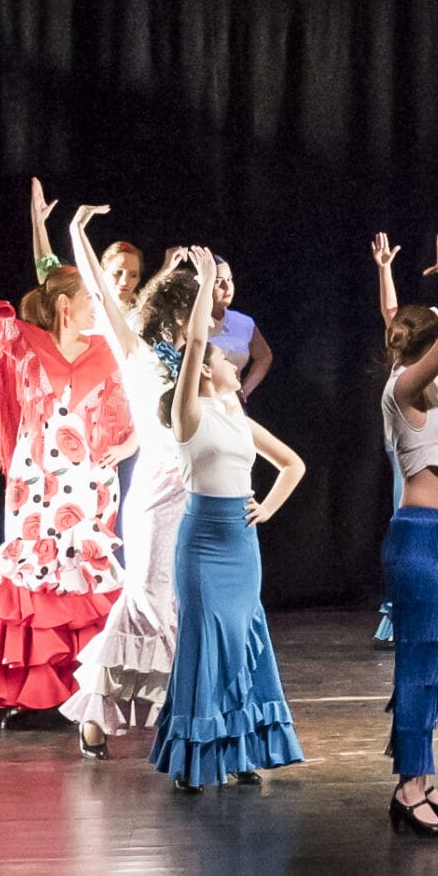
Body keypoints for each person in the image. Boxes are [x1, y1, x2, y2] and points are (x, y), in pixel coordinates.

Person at [0, 188, 133, 721]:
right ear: (64, 306)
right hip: (37, 481)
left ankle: (91, 690)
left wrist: (124, 447)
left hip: (91, 481)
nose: (97, 307)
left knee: (83, 576)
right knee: (37, 575)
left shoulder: (108, 349)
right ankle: (31, 691)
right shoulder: (25, 341)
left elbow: (145, 413)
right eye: (89, 301)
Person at [150, 244, 307, 791]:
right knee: (205, 646)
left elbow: (293, 464)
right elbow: (196, 340)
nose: (230, 361)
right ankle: (194, 760)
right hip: (202, 544)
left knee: (240, 644)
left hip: (242, 544)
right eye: (223, 359)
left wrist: (266, 509)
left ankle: (240, 751)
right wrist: (205, 283)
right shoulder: (187, 414)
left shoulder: (236, 413)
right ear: (203, 370)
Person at [58, 208, 199, 756]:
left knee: (181, 606)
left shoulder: (186, 360)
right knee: (146, 602)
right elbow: (98, 287)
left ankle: (183, 715)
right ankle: (96, 713)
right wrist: (77, 232)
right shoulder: (136, 349)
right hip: (155, 495)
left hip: (194, 492)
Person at [378, 231, 438, 837]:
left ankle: (422, 777)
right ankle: (407, 787)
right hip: (418, 537)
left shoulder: (424, 387)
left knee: (431, 663)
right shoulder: (403, 389)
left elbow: (398, 324)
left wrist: (386, 279)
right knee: (418, 663)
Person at [208, 258, 273, 402]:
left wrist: (244, 390)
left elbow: (264, 356)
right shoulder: (190, 322)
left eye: (229, 279)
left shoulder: (242, 323)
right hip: (201, 400)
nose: (227, 286)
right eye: (218, 281)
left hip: (232, 402)